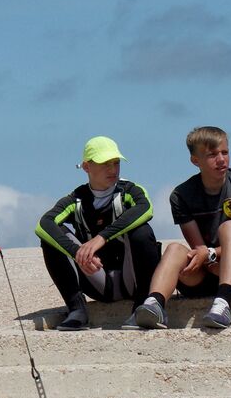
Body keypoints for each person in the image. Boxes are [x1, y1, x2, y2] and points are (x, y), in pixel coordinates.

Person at [133, 126, 231, 330]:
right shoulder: (181, 196)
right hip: (206, 270)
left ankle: (223, 304)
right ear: (195, 161)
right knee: (174, 249)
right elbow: (198, 248)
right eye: (212, 155)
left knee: (230, 228)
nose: (221, 159)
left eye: (225, 152)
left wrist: (212, 254)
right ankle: (154, 305)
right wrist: (207, 256)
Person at [35, 136, 161, 331]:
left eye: (116, 163)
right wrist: (77, 251)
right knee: (50, 238)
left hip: (133, 278)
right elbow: (44, 224)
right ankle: (77, 310)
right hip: (98, 280)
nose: (113, 170)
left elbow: (146, 209)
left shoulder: (129, 190)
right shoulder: (76, 199)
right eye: (105, 164)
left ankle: (141, 308)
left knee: (141, 229)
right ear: (87, 167)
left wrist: (101, 238)